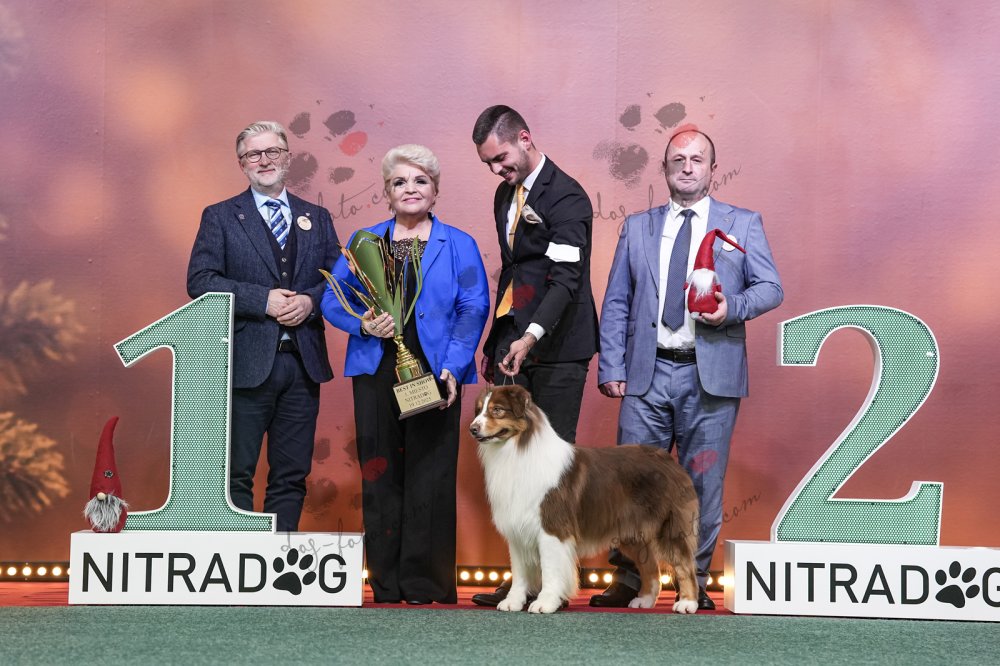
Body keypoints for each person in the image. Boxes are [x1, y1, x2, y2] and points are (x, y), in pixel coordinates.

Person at [593, 129, 783, 610]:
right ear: (664, 168)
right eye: (677, 159)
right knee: (632, 481)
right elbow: (616, 301)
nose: (687, 167)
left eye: (697, 159)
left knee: (702, 484)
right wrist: (611, 364)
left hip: (710, 374)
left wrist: (731, 307)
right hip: (647, 372)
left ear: (713, 169)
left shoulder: (743, 223)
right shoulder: (637, 227)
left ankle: (692, 581)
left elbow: (770, 287)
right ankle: (631, 578)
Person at [321, 144, 490, 604]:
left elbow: (473, 307)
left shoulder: (458, 244)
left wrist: (454, 367)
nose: (410, 189)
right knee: (380, 473)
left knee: (430, 474)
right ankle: (385, 582)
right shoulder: (365, 242)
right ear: (386, 192)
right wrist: (362, 323)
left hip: (435, 370)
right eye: (400, 182)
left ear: (435, 190)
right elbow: (332, 298)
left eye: (420, 181)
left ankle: (424, 583)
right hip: (376, 367)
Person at [470, 105, 599, 607]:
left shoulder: (567, 197)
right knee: (513, 473)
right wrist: (500, 339)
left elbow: (566, 279)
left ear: (524, 138)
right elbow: (514, 271)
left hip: (560, 347)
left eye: (501, 158)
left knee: (551, 477)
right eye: (488, 164)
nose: (497, 170)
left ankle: (555, 586)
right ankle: (522, 580)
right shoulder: (505, 193)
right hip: (515, 341)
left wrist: (532, 335)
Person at [187, 120, 340, 532]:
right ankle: (240, 557)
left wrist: (310, 302)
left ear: (288, 158)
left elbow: (339, 282)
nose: (264, 160)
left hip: (303, 364)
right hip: (244, 364)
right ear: (242, 163)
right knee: (235, 473)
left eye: (272, 151)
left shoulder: (317, 217)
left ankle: (279, 557)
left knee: (291, 474)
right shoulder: (220, 216)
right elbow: (200, 281)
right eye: (254, 154)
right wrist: (262, 301)